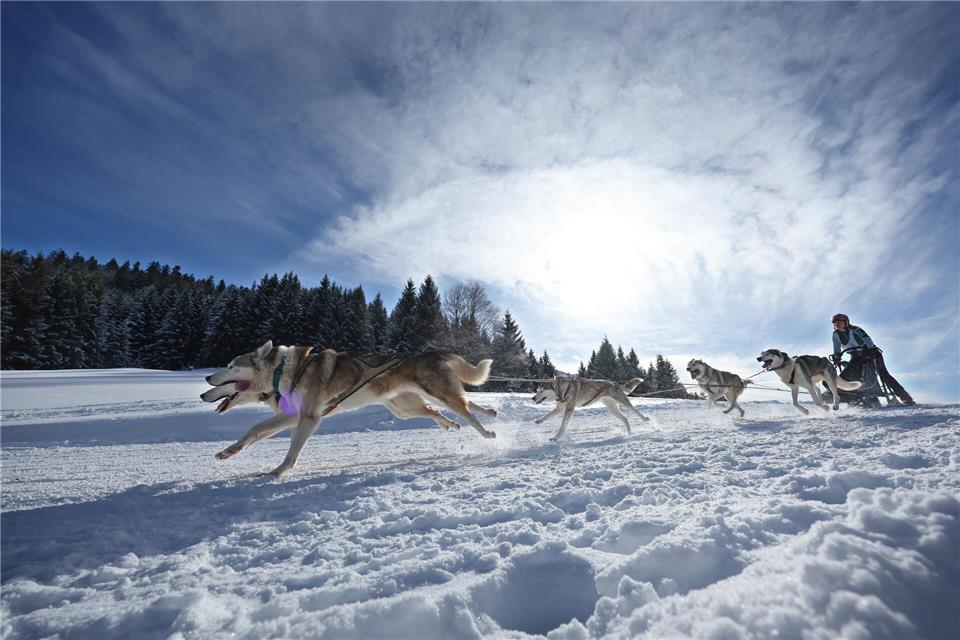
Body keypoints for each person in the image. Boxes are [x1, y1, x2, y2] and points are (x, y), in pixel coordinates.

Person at [831, 313, 915, 406]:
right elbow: (836, 348)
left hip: (871, 353)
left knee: (883, 374)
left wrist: (870, 352)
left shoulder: (856, 330)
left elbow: (867, 340)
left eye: (840, 322)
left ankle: (905, 397)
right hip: (856, 356)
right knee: (851, 372)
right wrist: (837, 357)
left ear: (846, 322)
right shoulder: (836, 335)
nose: (837, 325)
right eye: (835, 323)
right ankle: (844, 393)